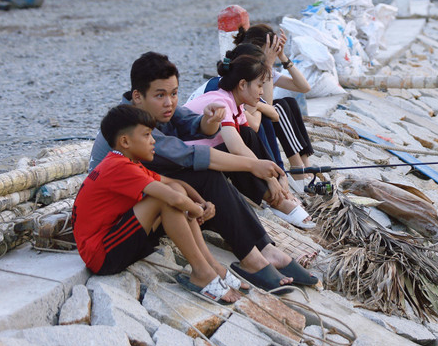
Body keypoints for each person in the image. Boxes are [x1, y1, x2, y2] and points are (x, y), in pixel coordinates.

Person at [89, 52, 318, 292]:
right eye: (160, 95)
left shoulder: (155, 109)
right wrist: (251, 164)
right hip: (129, 217)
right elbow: (186, 155)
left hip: (152, 187)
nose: (169, 102)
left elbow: (192, 124)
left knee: (226, 155)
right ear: (138, 96)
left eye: (174, 93)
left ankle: (265, 247)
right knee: (208, 175)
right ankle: (252, 258)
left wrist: (209, 120)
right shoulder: (131, 126)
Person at [74, 104, 247, 303]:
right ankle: (202, 272)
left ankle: (212, 265)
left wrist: (201, 202)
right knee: (164, 199)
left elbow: (176, 184)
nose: (153, 140)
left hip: (117, 241)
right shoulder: (117, 167)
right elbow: (173, 199)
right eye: (147, 135)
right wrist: (197, 210)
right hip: (102, 256)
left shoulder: (129, 163)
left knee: (174, 190)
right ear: (125, 141)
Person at [183, 46, 315, 230]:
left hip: (206, 157)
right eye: (259, 86)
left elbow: (250, 141)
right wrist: (270, 179)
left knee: (248, 134)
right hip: (187, 166)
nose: (262, 92)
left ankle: (279, 193)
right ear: (242, 84)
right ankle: (275, 200)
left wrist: (278, 175)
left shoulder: (236, 104)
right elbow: (236, 148)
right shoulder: (221, 101)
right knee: (236, 152)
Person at [234, 24, 316, 182]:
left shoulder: (260, 68)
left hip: (253, 113)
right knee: (279, 108)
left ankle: (305, 164)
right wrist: (268, 65)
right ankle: (297, 168)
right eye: (271, 49)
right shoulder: (245, 69)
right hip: (244, 125)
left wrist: (283, 57)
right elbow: (268, 104)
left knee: (290, 102)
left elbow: (304, 87)